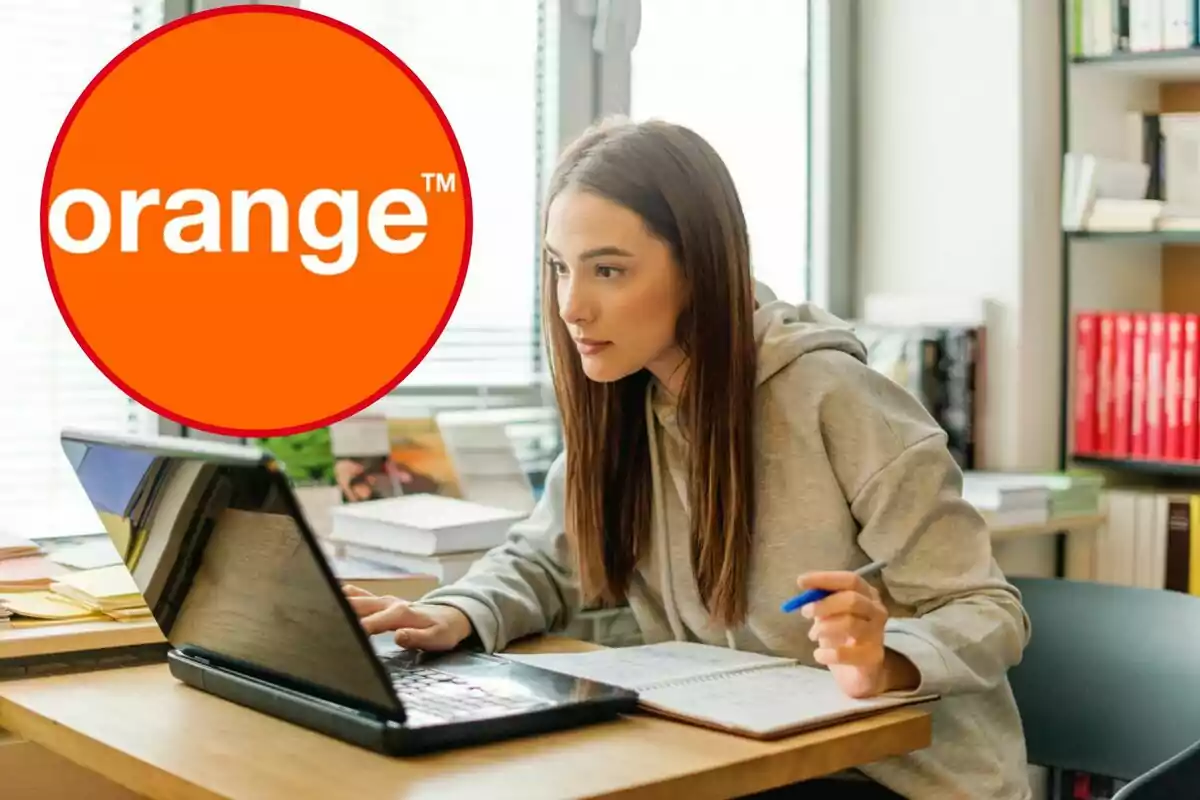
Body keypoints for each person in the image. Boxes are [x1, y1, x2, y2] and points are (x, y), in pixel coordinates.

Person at [342, 117, 1033, 799]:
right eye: (559, 269)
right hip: (737, 756)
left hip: (896, 776)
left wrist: (887, 660)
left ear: (699, 267)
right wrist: (456, 613)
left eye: (608, 270)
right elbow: (543, 561)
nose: (572, 306)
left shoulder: (835, 399)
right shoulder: (627, 402)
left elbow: (987, 608)